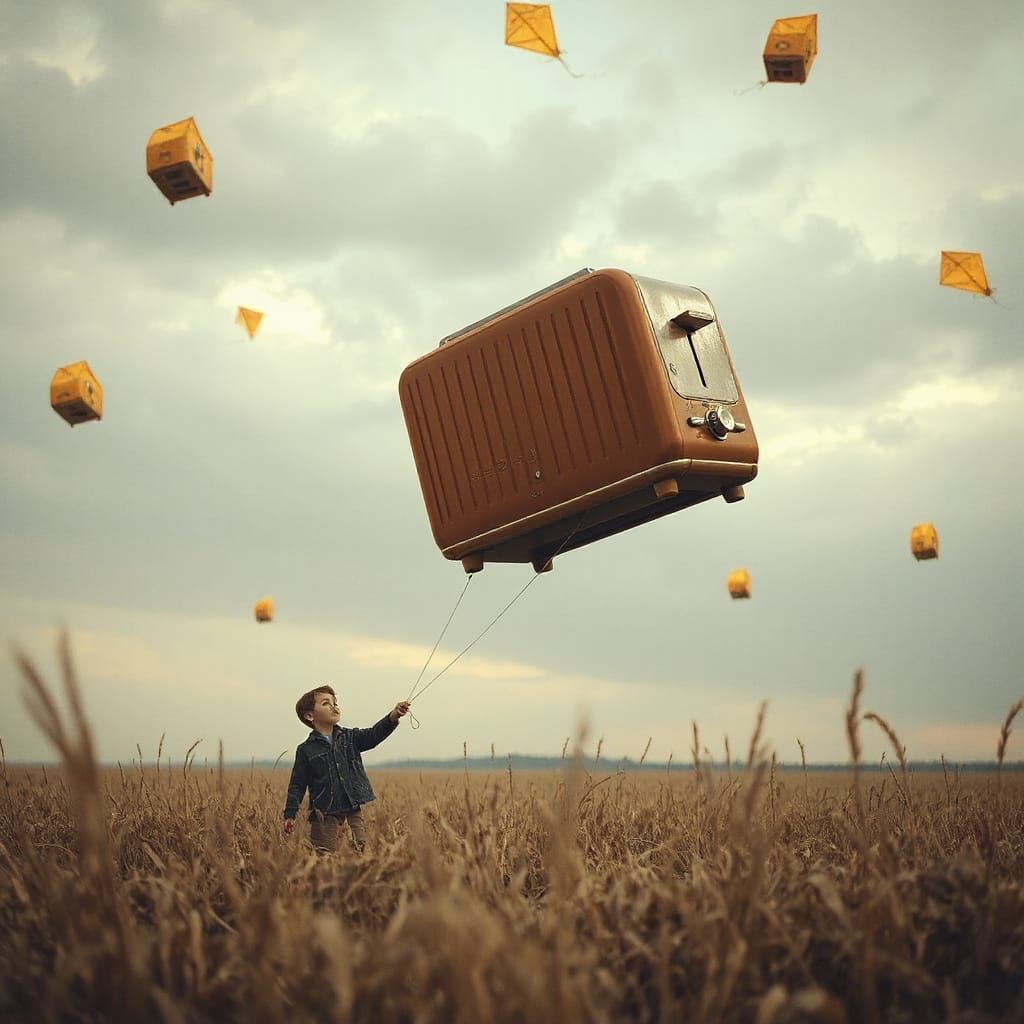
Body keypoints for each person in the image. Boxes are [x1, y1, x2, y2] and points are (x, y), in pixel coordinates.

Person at [283, 685, 409, 852]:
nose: (334, 706)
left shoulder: (350, 738)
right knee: (326, 854)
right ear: (309, 715)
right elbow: (297, 784)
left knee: (361, 848)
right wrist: (290, 814)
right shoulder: (306, 749)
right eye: (326, 703)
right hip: (324, 813)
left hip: (352, 806)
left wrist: (393, 716)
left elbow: (373, 735)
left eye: (335, 702)